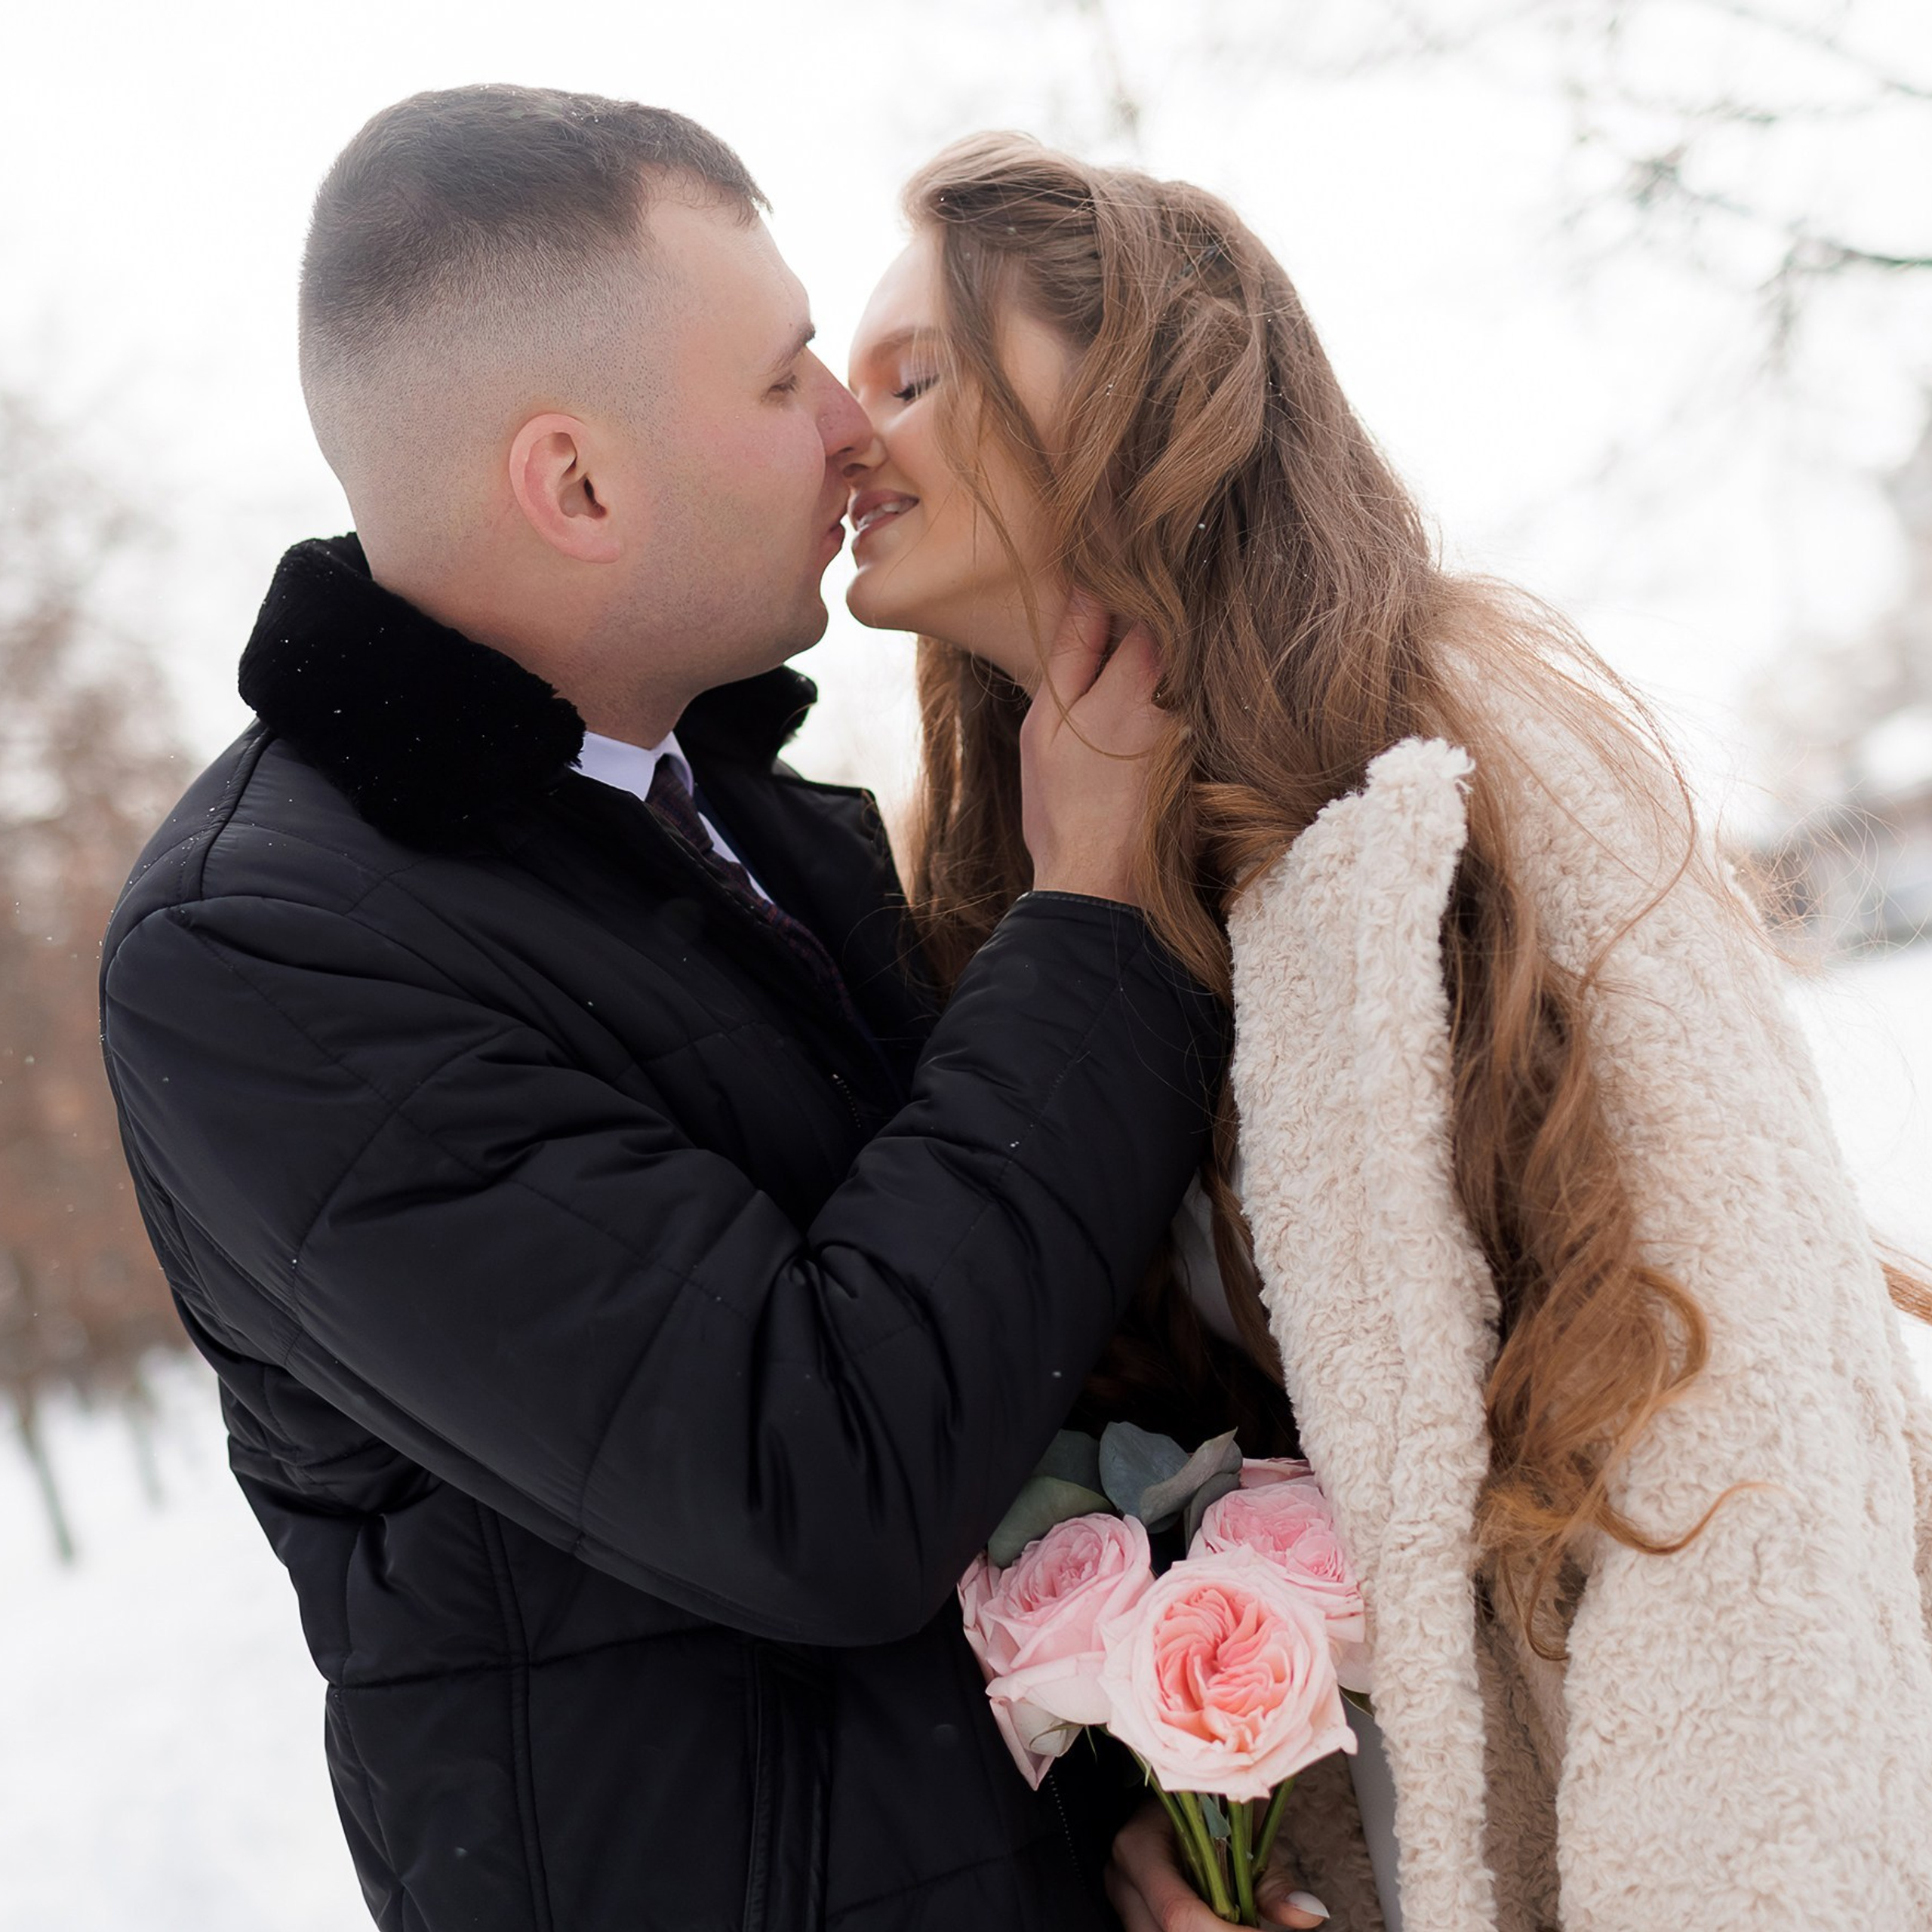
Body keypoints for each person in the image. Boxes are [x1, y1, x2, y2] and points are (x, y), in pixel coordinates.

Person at [97, 89, 1231, 1932]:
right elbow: (824, 1473)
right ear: (578, 484)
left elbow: (994, 1362)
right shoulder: (262, 961)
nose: (855, 429)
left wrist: (1114, 1792)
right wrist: (1092, 920)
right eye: (788, 376)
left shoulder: (741, 820)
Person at [844, 131, 1932, 1930]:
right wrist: (1169, 1829)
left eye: (915, 373)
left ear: (1124, 400)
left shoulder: (1467, 745)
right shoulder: (1004, 886)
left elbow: (1737, 1446)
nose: (845, 431)